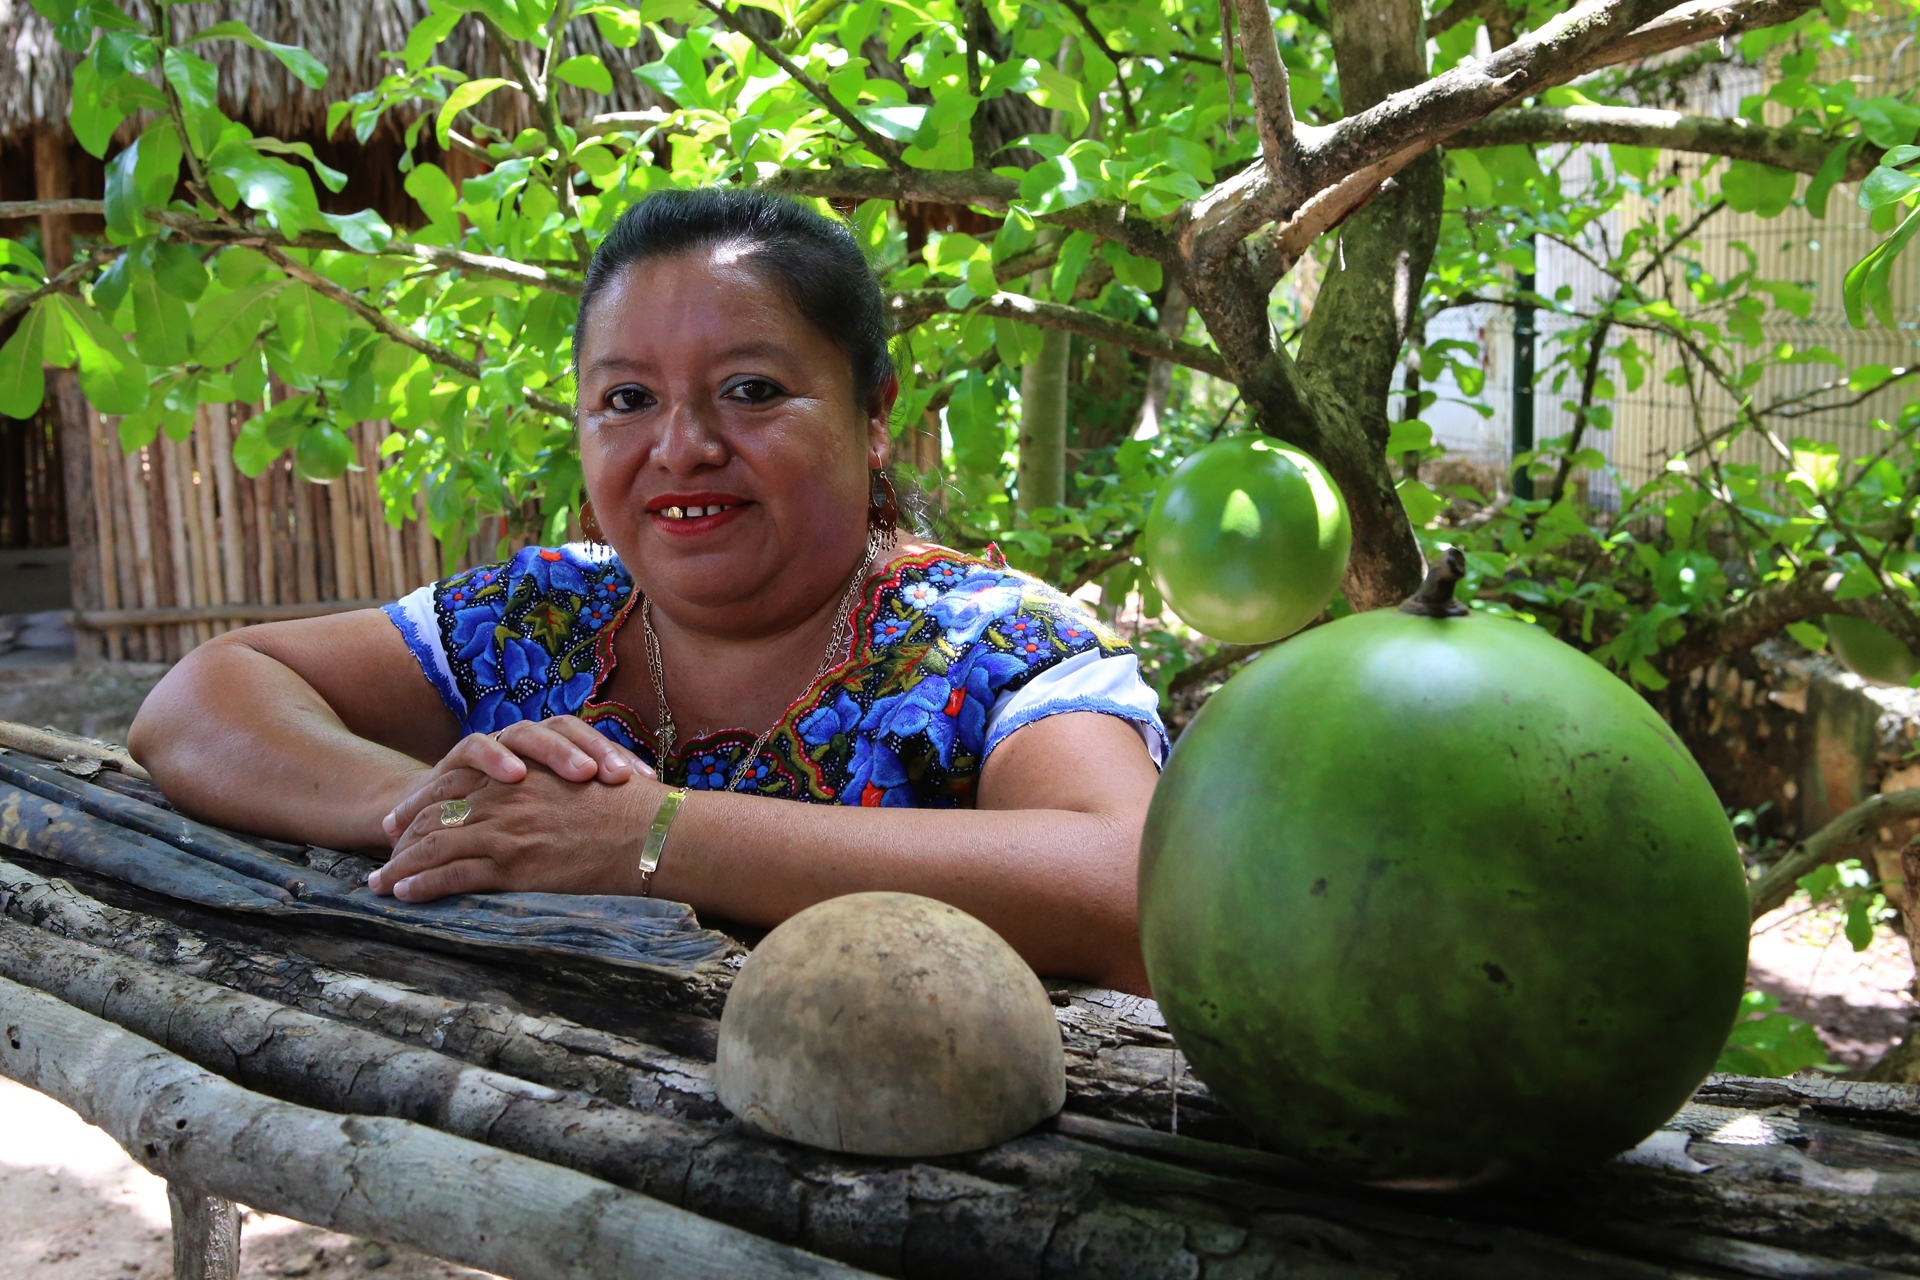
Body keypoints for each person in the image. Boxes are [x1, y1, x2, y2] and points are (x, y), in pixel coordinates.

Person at [129, 188, 1166, 994]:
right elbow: (201, 697)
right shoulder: (536, 617)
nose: (682, 446)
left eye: (751, 391)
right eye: (627, 399)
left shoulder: (993, 644)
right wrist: (432, 810)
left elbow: (1130, 883)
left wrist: (652, 837)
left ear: (875, 411)